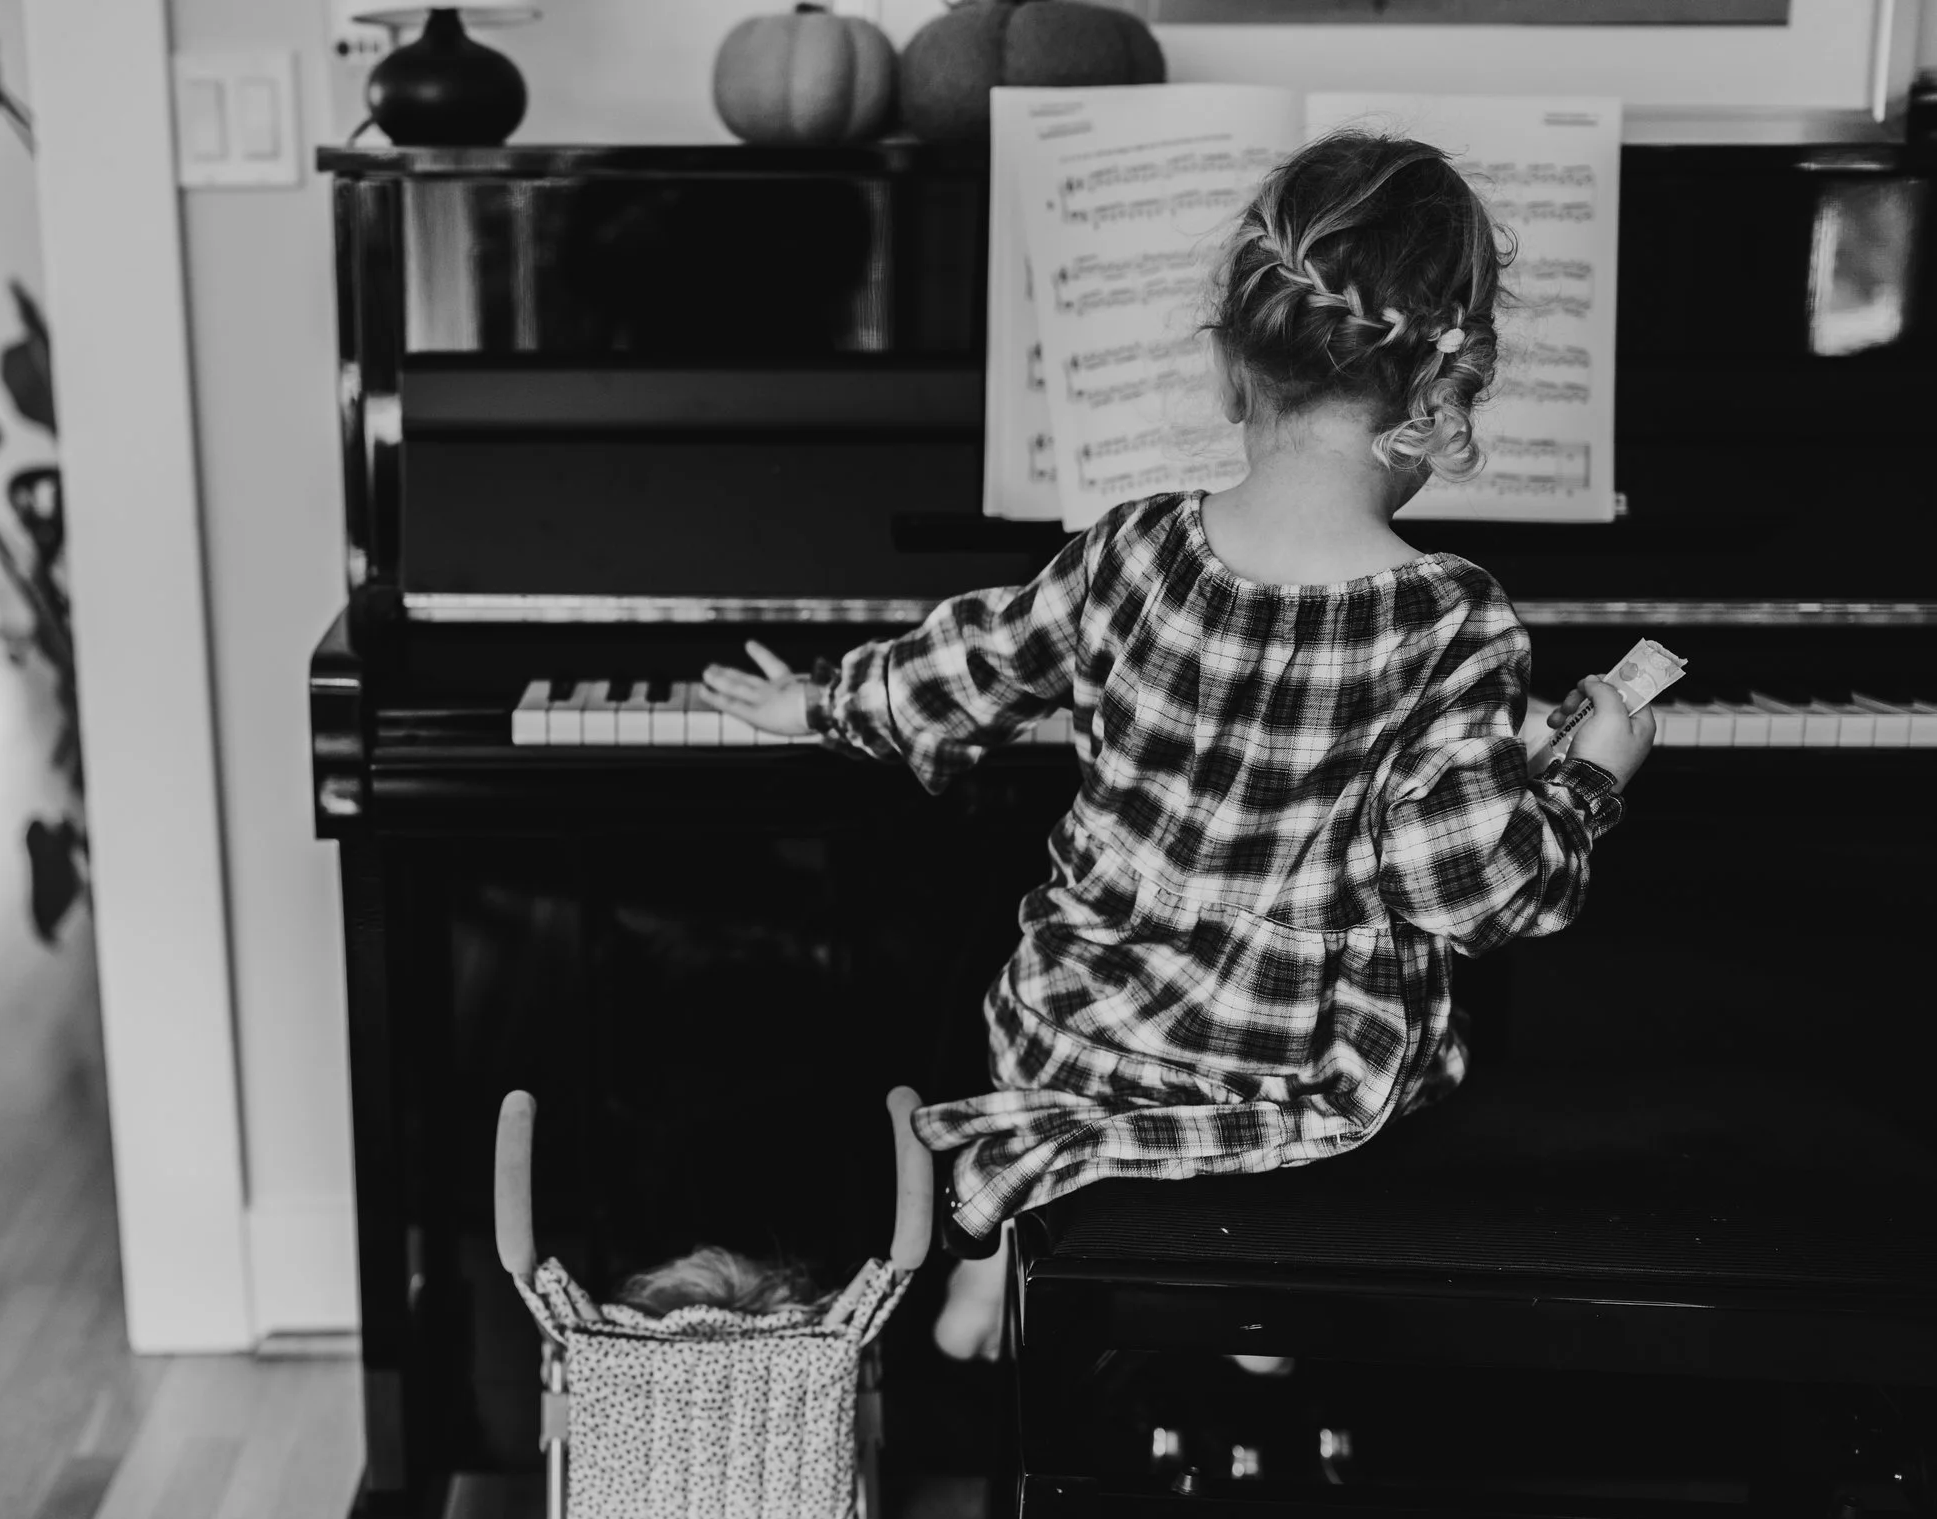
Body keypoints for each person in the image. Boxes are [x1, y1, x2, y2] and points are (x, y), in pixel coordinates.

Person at [700, 131, 1657, 1360]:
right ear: (1441, 394)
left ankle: (1003, 1251)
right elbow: (1467, 884)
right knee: (1427, 1061)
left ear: (1227, 368)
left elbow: (975, 661)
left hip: (1081, 1036)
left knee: (1020, 995)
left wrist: (823, 701)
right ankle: (1258, 1296)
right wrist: (1582, 779)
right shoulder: (1450, 617)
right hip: (1288, 1075)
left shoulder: (1134, 548)